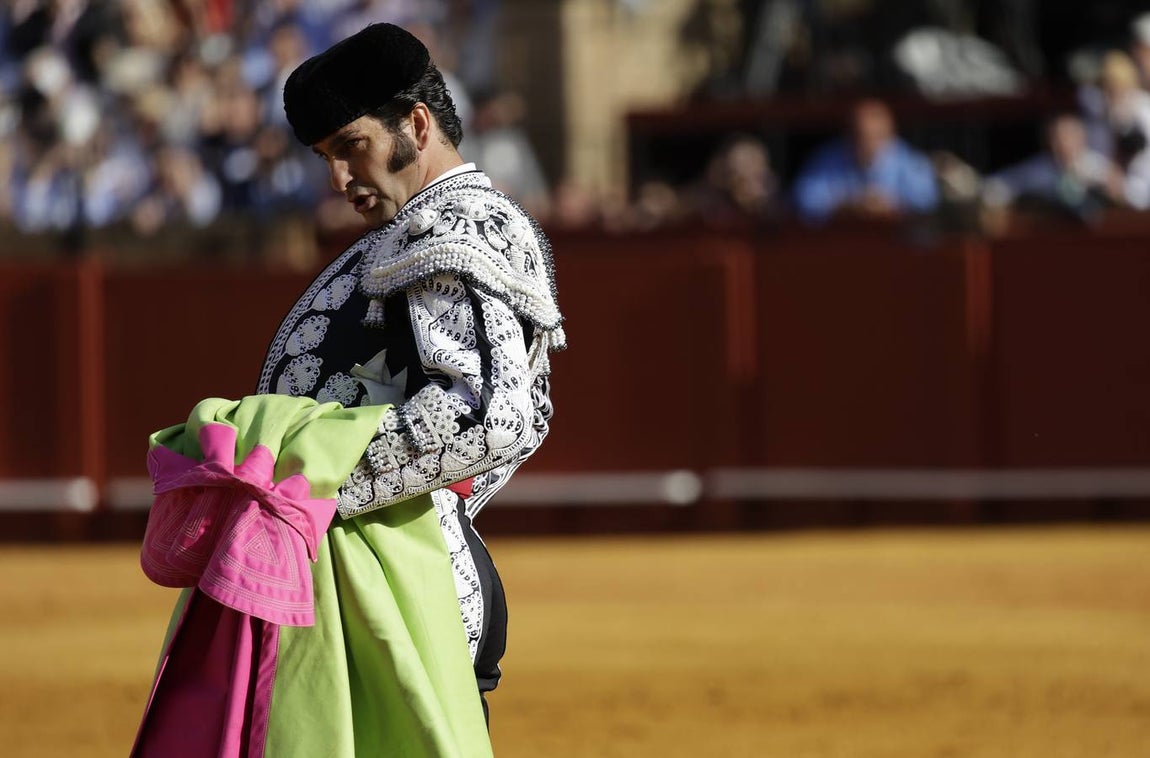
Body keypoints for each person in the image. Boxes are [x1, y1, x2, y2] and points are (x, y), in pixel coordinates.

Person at [132, 22, 564, 756]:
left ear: (416, 124)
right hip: (372, 577)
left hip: (400, 588)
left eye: (351, 146)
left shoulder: (457, 229)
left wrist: (306, 487)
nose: (338, 179)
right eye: (325, 157)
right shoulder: (412, 231)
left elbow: (495, 417)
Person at [792, 98, 939, 224]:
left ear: (889, 135)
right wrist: (847, 206)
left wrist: (891, 206)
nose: (865, 144)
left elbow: (926, 207)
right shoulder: (826, 159)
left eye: (874, 136)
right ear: (848, 134)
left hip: (896, 249)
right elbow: (803, 200)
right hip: (839, 246)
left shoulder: (913, 163)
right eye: (858, 136)